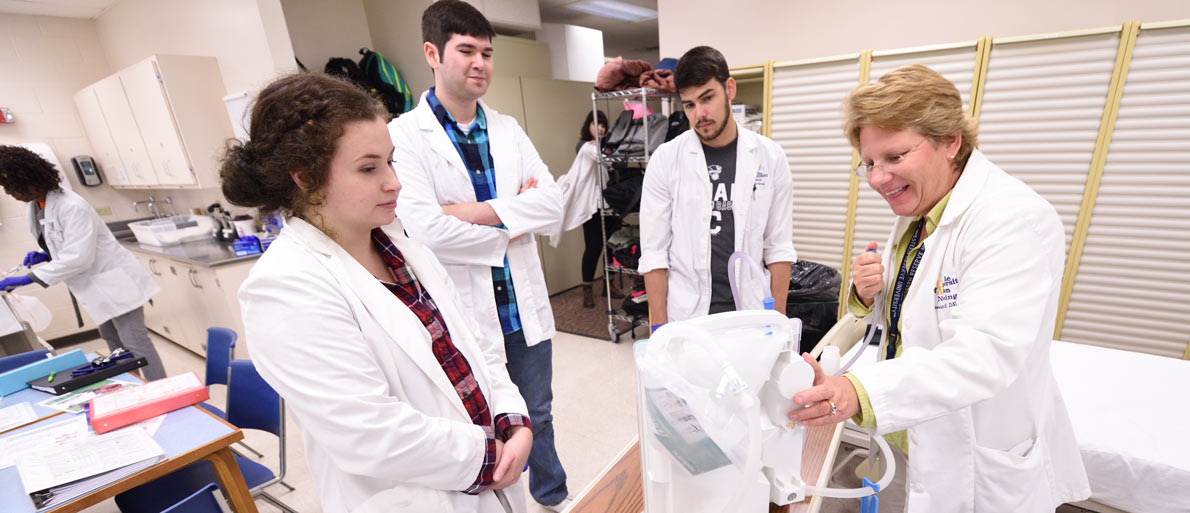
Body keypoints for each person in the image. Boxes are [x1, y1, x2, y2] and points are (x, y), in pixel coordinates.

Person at [787, 64, 1090, 512]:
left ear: (951, 141)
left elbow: (983, 354)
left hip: (972, 460)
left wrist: (859, 391)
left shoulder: (1013, 220)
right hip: (904, 434)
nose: (877, 179)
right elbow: (918, 311)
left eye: (894, 157)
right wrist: (867, 295)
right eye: (869, 163)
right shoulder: (920, 211)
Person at [226, 72, 533, 513]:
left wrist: (511, 419)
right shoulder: (284, 286)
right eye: (369, 168)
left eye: (391, 161)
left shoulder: (406, 250)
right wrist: (491, 454)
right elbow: (367, 433)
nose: (394, 182)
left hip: (491, 481)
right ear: (305, 177)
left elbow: (477, 347)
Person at [387, 2, 570, 510]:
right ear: (432, 53)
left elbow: (552, 203)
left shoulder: (508, 129)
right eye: (466, 50)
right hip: (462, 313)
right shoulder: (405, 135)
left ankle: (553, 499)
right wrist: (512, 221)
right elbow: (425, 229)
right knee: (482, 422)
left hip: (521, 306)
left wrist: (466, 211)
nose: (480, 63)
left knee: (540, 414)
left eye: (486, 52)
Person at [638, 46, 796, 329]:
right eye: (689, 105)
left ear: (729, 89)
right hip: (686, 315)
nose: (700, 114)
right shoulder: (665, 159)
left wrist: (778, 322)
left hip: (748, 312)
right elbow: (654, 254)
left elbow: (779, 248)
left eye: (707, 98)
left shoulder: (770, 157)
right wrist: (658, 330)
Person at [0, 146, 166, 381]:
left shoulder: (71, 205)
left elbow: (79, 256)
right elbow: (61, 238)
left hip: (117, 285)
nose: (9, 193)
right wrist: (44, 253)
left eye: (10, 186)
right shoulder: (38, 204)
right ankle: (133, 386)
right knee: (112, 338)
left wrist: (27, 278)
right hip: (97, 288)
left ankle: (162, 389)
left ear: (28, 179)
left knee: (135, 343)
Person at [548, 110, 622, 308]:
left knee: (611, 245)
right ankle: (587, 290)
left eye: (603, 125)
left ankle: (609, 284)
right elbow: (600, 159)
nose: (600, 128)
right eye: (596, 124)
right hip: (591, 205)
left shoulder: (602, 146)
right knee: (593, 246)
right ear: (587, 126)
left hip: (607, 202)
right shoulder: (585, 146)